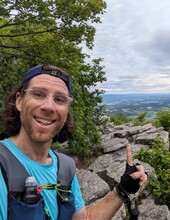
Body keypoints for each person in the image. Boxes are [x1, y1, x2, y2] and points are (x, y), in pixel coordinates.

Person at [0, 64, 147, 220]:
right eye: (38, 94)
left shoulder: (65, 167)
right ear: (19, 101)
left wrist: (122, 190)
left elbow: (84, 218)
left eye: (60, 99)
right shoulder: (3, 165)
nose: (49, 106)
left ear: (66, 109)